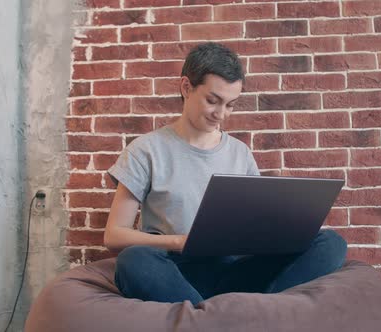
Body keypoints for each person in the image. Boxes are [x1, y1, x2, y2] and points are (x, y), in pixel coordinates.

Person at [104, 42, 347, 306]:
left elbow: (256, 225)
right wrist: (181, 241)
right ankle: (231, 319)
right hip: (175, 272)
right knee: (133, 260)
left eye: (231, 105)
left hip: (233, 272)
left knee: (331, 243)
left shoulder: (240, 153)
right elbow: (114, 236)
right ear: (186, 87)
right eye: (213, 100)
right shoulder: (146, 150)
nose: (221, 114)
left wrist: (279, 235)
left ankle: (225, 316)